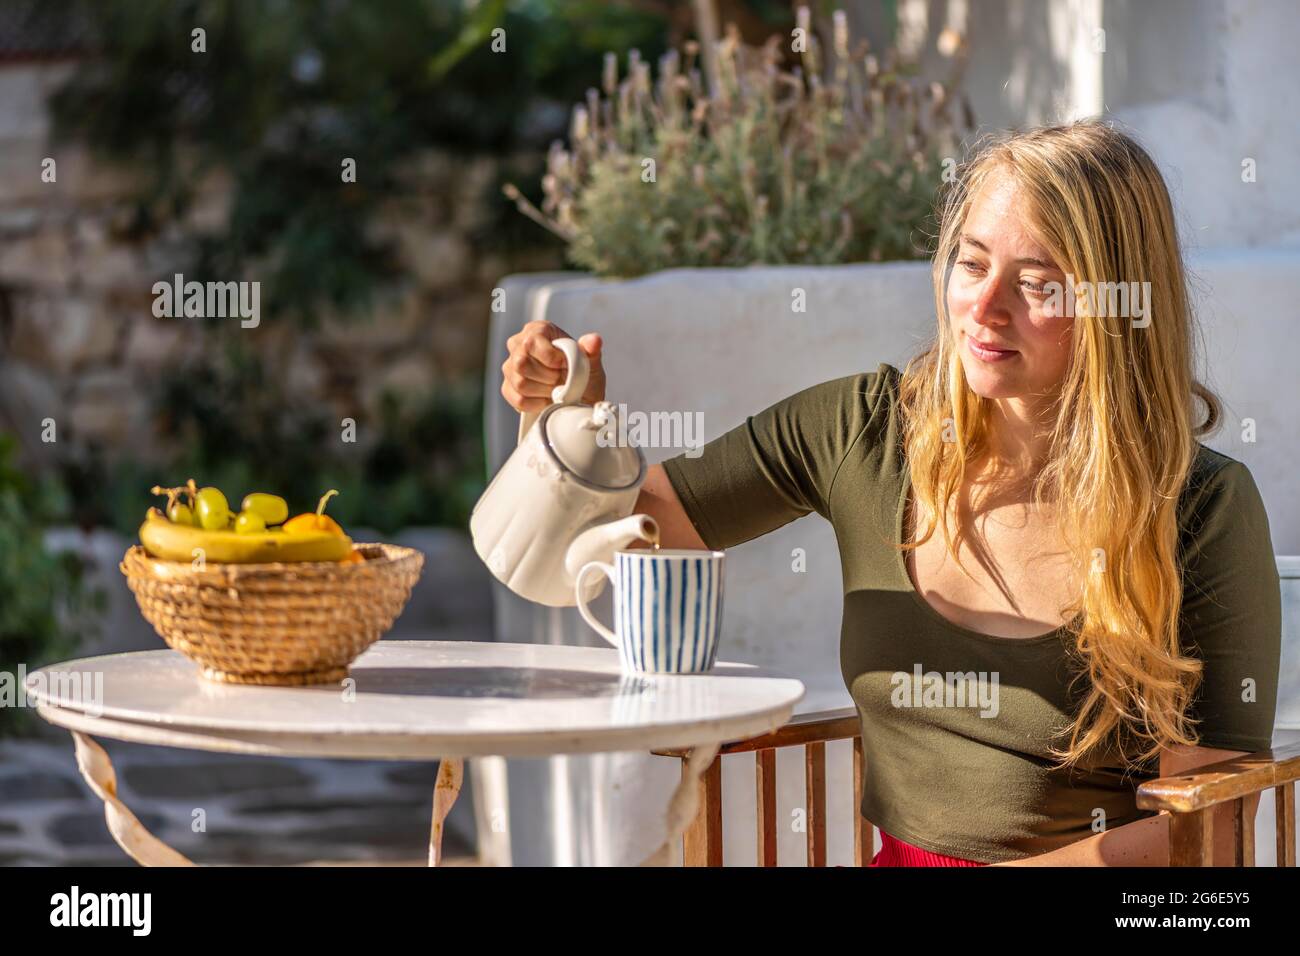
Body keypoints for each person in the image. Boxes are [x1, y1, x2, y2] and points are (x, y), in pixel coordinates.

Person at [497, 120, 1282, 866]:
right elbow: (625, 532)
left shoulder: (1199, 510)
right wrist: (574, 419)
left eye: (1037, 282)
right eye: (971, 264)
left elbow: (1209, 829)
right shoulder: (862, 432)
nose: (984, 305)